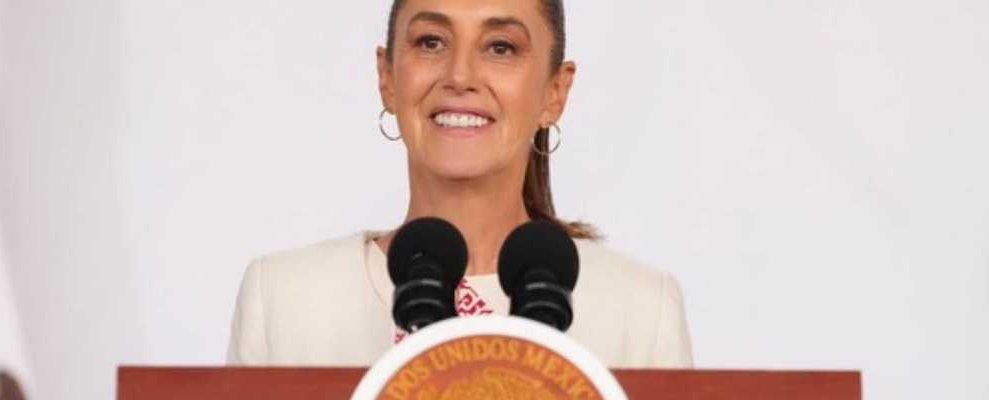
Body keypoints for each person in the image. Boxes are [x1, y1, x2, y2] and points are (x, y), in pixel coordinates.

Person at [226, 0, 692, 368]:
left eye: (500, 47)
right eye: (431, 42)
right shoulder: (285, 298)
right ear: (387, 77)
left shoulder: (641, 310)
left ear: (556, 92)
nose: (460, 76)